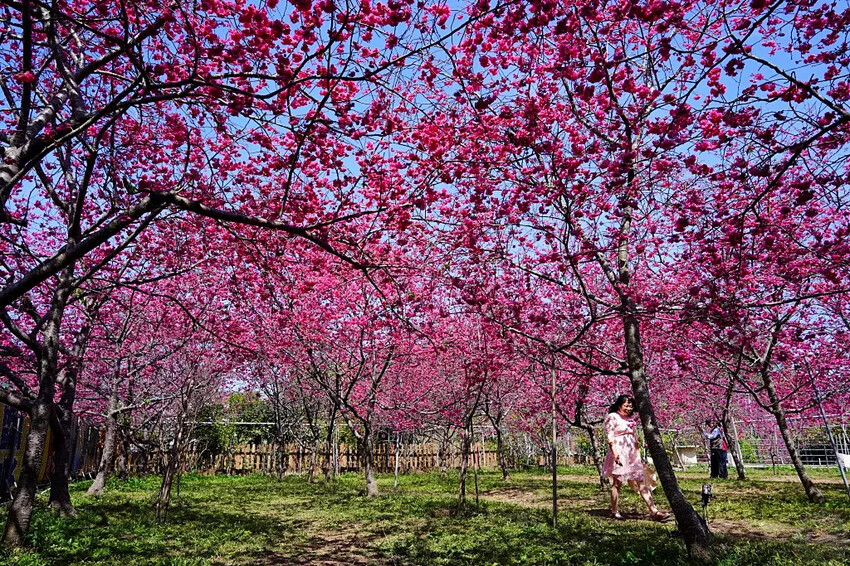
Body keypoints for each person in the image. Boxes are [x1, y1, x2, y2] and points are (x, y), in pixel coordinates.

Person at [602, 395, 670, 521]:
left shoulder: (630, 420)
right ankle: (614, 511)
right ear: (619, 405)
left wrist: (637, 454)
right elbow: (610, 437)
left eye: (631, 405)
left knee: (641, 482)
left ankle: (654, 511)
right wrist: (615, 454)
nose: (629, 408)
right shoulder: (613, 417)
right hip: (619, 451)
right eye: (626, 405)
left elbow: (634, 437)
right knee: (617, 483)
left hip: (632, 453)